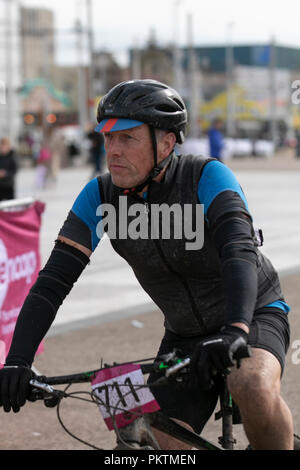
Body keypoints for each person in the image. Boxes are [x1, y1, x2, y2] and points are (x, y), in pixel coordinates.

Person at [0, 80, 293, 450]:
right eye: (108, 138)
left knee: (250, 383)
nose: (113, 151)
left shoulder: (206, 176)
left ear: (167, 142)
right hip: (184, 335)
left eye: (127, 139)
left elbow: (239, 251)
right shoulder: (100, 195)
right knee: (140, 444)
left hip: (253, 314)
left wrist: (236, 328)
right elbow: (53, 282)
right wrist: (17, 360)